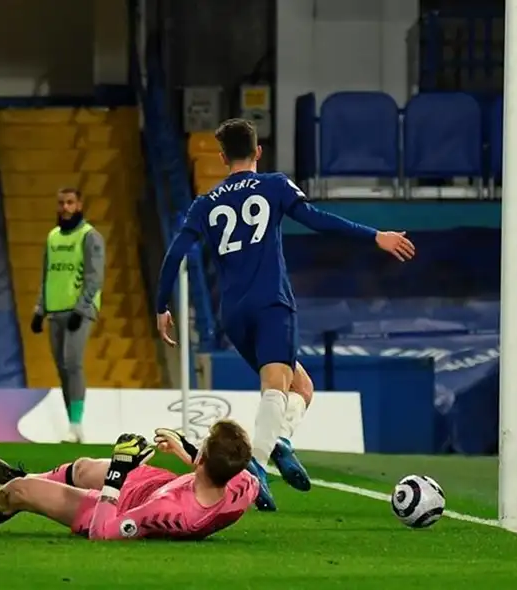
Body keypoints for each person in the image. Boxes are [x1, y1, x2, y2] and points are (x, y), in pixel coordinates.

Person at [154, 118, 416, 511]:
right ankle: (255, 469)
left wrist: (161, 306)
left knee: (301, 388)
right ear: (258, 151)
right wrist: (374, 235)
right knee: (275, 387)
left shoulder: (205, 203)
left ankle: (278, 441)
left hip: (233, 313)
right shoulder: (274, 184)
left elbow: (176, 252)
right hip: (271, 302)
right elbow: (317, 220)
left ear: (223, 158)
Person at [0, 420, 258, 540]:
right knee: (84, 466)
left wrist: (117, 475)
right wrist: (188, 452)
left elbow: (104, 532)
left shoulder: (172, 513)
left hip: (122, 507)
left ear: (205, 461)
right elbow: (234, 470)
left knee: (18, 493)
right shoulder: (243, 483)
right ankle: (33, 476)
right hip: (161, 483)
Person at [29, 187, 105, 443]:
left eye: (70, 202)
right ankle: (72, 424)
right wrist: (39, 310)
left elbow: (95, 277)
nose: (65, 207)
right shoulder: (52, 237)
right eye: (61, 203)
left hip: (79, 310)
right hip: (55, 309)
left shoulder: (89, 236)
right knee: (62, 367)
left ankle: (76, 424)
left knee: (73, 362)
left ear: (79, 205)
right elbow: (47, 275)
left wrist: (81, 309)